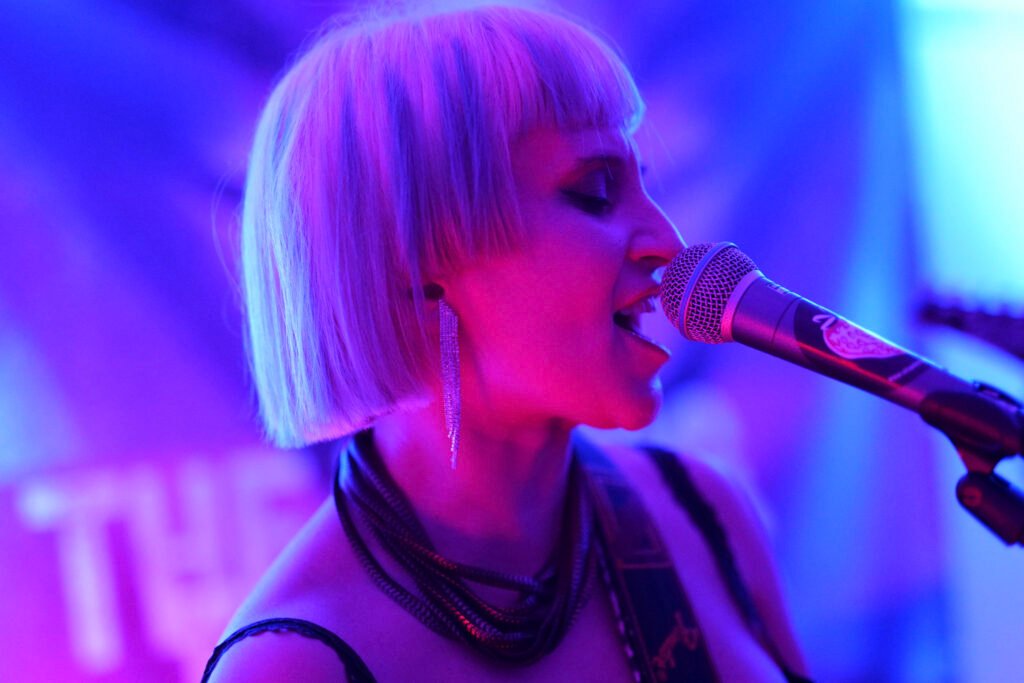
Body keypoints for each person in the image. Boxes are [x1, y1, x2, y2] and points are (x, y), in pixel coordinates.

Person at [203, 3, 809, 681]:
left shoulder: (702, 512)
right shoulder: (293, 664)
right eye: (595, 191)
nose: (668, 242)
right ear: (413, 262)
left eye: (645, 184)